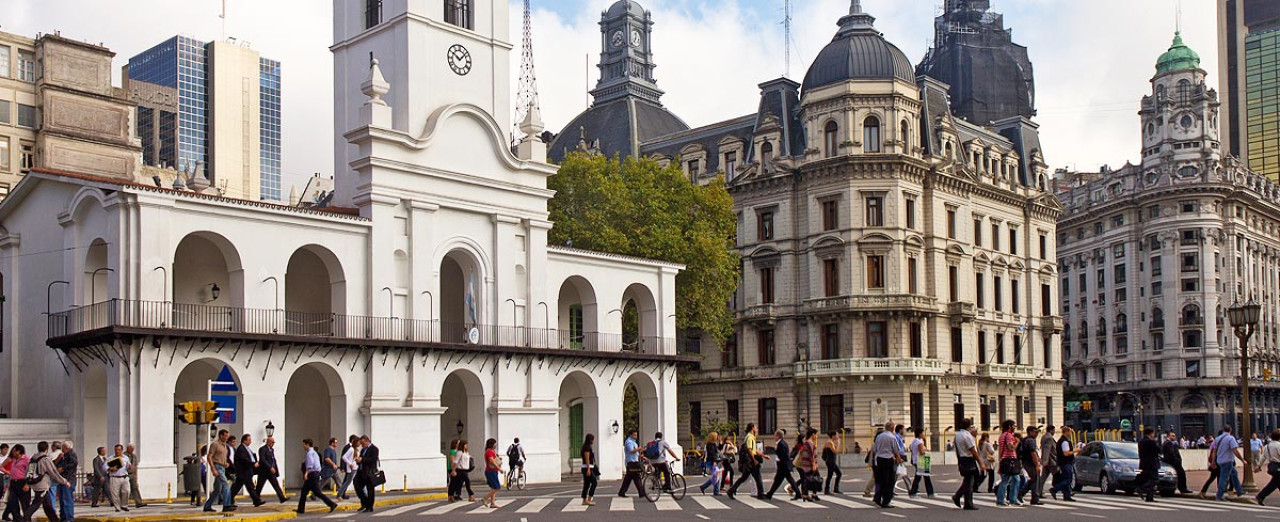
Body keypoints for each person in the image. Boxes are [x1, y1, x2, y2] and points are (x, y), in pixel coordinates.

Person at [21, 441, 69, 522]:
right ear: (47, 448)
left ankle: (54, 520)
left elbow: (28, 472)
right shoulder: (45, 459)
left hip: (35, 484)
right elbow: (53, 472)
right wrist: (64, 481)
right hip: (42, 485)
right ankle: (25, 518)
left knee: (48, 506)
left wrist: (28, 483)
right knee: (36, 504)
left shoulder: (33, 458)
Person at [296, 439, 337, 514]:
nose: (303, 446)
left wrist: (306, 474)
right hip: (315, 474)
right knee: (305, 492)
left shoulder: (310, 453)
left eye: (304, 444)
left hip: (312, 474)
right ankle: (300, 509)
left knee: (316, 492)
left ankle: (332, 504)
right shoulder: (314, 453)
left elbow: (310, 465)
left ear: (308, 444)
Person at [727, 423, 766, 499]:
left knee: (744, 477)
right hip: (751, 460)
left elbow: (754, 449)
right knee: (757, 477)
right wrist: (754, 459)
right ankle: (761, 493)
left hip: (749, 460)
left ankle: (731, 490)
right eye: (755, 427)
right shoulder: (750, 437)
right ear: (752, 428)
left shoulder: (750, 437)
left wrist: (763, 455)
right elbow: (749, 449)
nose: (757, 429)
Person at [951, 419, 981, 511]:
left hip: (961, 458)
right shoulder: (967, 436)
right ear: (969, 426)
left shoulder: (957, 435)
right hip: (968, 459)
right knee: (969, 482)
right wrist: (980, 462)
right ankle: (968, 502)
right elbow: (972, 450)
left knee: (967, 481)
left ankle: (957, 496)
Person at [872, 421, 903, 508]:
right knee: (889, 481)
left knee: (881, 480)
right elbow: (896, 450)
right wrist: (899, 459)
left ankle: (877, 497)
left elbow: (875, 449)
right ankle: (886, 500)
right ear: (892, 428)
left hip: (879, 459)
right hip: (888, 459)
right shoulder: (892, 437)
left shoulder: (879, 436)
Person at [231, 433, 265, 507]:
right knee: (238, 488)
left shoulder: (247, 448)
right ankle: (229, 500)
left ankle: (256, 501)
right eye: (249, 440)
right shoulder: (241, 449)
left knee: (249, 487)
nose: (250, 441)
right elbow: (244, 459)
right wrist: (253, 463)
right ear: (244, 440)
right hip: (243, 472)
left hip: (247, 472)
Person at [763, 430, 797, 500]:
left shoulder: (781, 444)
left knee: (779, 480)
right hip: (784, 465)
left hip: (783, 465)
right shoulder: (782, 443)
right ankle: (770, 494)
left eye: (775, 435)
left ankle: (769, 494)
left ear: (778, 436)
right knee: (783, 480)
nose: (774, 437)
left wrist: (776, 455)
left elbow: (782, 455)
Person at [993, 420, 1021, 506]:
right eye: (1013, 426)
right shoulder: (1008, 435)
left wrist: (1000, 460)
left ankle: (1010, 499)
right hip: (1010, 460)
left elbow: (1001, 449)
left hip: (1005, 460)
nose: (1014, 428)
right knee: (1008, 480)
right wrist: (1017, 442)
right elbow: (1011, 447)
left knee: (1013, 479)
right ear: (1009, 426)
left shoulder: (1002, 436)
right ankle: (1004, 499)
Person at [1215, 425, 1245, 501]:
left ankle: (1239, 491)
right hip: (1228, 460)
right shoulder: (1230, 438)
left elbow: (1214, 451)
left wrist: (1213, 461)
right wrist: (1242, 459)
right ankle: (1219, 495)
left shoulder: (1217, 438)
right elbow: (1235, 450)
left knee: (1234, 474)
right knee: (1224, 478)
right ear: (1230, 430)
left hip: (1220, 460)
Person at [255, 436, 287, 503]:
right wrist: (270, 467)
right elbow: (263, 460)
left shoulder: (272, 450)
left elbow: (273, 460)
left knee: (276, 485)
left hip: (271, 472)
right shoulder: (262, 449)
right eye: (272, 442)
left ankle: (282, 498)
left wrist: (275, 468)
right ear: (268, 442)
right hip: (263, 471)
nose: (273, 444)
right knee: (259, 486)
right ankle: (256, 499)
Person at [1049, 426, 1076, 502]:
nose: (1070, 433)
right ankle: (1055, 489)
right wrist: (1075, 451)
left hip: (1063, 462)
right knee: (1068, 479)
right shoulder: (1064, 441)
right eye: (1069, 432)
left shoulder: (1062, 440)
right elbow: (1066, 453)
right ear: (1066, 432)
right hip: (1066, 462)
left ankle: (1067, 496)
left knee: (1066, 478)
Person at [618, 428, 647, 498]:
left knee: (629, 478)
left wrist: (640, 456)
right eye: (634, 435)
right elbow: (631, 450)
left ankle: (622, 492)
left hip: (634, 461)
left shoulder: (634, 442)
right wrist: (639, 449)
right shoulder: (629, 442)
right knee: (636, 477)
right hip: (631, 462)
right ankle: (641, 492)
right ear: (630, 435)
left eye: (636, 435)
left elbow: (635, 453)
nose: (636, 436)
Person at [1017, 425, 1042, 505]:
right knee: (1035, 479)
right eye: (1035, 432)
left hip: (1025, 461)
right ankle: (1034, 498)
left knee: (1033, 479)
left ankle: (1022, 493)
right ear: (1030, 432)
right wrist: (1037, 465)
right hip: (1030, 462)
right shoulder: (1031, 440)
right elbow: (1033, 453)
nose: (1037, 434)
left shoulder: (1025, 440)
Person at [1135, 427, 1161, 503]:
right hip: (1152, 463)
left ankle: (1150, 497)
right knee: (1154, 479)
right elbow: (1158, 450)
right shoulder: (1150, 442)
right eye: (1153, 433)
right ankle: (1142, 489)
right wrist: (1155, 442)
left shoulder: (1141, 441)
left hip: (1144, 463)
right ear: (1151, 433)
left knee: (1149, 479)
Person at [354, 435, 379, 513]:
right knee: (357, 486)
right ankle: (365, 502)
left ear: (367, 441)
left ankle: (369, 506)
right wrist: (358, 460)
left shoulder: (374, 449)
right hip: (361, 471)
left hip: (369, 471)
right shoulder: (363, 450)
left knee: (370, 489)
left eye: (363, 443)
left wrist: (362, 460)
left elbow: (373, 459)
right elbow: (361, 458)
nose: (362, 445)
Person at [106, 444, 134, 512]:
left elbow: (128, 466)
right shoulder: (110, 458)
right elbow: (104, 467)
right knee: (115, 493)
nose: (117, 451)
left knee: (127, 491)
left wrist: (129, 467)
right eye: (116, 450)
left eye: (118, 450)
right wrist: (111, 468)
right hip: (115, 477)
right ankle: (117, 507)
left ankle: (124, 505)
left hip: (124, 476)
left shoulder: (126, 458)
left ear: (121, 450)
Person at [1255, 429, 1280, 505]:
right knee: (1274, 484)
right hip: (1278, 465)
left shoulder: (1267, 446)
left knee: (1276, 482)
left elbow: (1263, 457)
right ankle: (1260, 496)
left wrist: (1259, 466)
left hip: (1272, 465)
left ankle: (1260, 496)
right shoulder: (1278, 445)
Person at [53, 440, 76, 521]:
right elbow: (55, 464)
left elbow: (73, 463)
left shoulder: (71, 454)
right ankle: (63, 517)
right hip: (62, 480)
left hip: (68, 479)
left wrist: (63, 468)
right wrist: (59, 459)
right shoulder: (63, 455)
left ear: (66, 447)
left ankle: (68, 517)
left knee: (67, 500)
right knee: (62, 500)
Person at [908, 427, 933, 499]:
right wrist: (927, 452)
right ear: (919, 434)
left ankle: (930, 492)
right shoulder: (919, 442)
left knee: (924, 476)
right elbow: (922, 452)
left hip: (916, 460)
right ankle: (913, 492)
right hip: (921, 460)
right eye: (922, 433)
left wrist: (924, 441)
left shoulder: (914, 441)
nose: (923, 434)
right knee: (920, 477)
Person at [797, 428, 820, 502]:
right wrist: (814, 464)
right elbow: (811, 454)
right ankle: (806, 494)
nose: (817, 436)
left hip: (809, 464)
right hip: (808, 465)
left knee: (812, 479)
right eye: (816, 434)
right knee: (808, 479)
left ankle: (812, 494)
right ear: (813, 434)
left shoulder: (809, 442)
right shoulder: (809, 442)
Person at [481, 438, 503, 509]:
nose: (496, 445)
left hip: (493, 471)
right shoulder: (489, 451)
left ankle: (492, 503)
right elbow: (492, 461)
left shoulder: (491, 451)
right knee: (497, 487)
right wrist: (499, 468)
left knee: (493, 488)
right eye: (495, 443)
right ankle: (485, 498)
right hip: (491, 471)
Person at [124, 443, 147, 508]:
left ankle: (138, 502)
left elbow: (135, 466)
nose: (132, 450)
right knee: (125, 489)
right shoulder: (124, 456)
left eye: (132, 449)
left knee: (135, 488)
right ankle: (123, 503)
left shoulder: (134, 456)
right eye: (130, 449)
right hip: (125, 474)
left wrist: (136, 475)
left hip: (132, 474)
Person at [1038, 426, 1057, 498]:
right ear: (1051, 430)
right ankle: (1058, 489)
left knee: (1043, 477)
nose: (1054, 432)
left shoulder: (1044, 437)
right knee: (1058, 475)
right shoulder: (1049, 438)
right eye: (1054, 430)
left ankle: (1039, 491)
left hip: (1047, 461)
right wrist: (1045, 460)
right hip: (1051, 461)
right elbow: (1047, 449)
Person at [338, 435, 358, 500]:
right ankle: (340, 494)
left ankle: (341, 494)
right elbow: (343, 457)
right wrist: (343, 467)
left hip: (354, 467)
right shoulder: (349, 448)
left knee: (347, 482)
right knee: (346, 482)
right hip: (350, 468)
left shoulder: (354, 449)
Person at [580, 433, 598, 506]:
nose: (593, 441)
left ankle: (585, 499)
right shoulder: (587, 448)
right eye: (592, 439)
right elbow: (587, 458)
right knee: (594, 482)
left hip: (589, 467)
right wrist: (588, 469)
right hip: (587, 468)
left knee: (587, 484)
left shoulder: (587, 447)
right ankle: (589, 498)